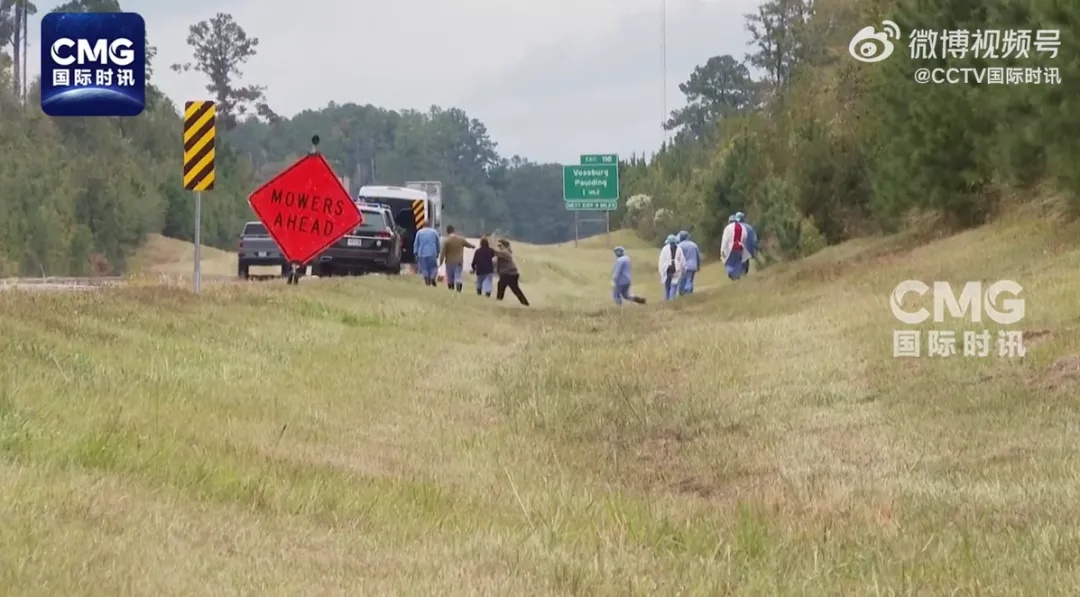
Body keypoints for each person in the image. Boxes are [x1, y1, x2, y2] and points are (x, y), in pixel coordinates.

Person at [491, 238, 529, 305]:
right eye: (498, 246)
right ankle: (525, 303)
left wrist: (489, 247)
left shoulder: (505, 252)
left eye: (500, 245)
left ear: (504, 246)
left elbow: (495, 252)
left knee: (506, 287)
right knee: (513, 289)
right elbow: (495, 261)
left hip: (509, 274)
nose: (499, 247)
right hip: (509, 274)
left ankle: (499, 302)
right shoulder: (504, 253)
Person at [439, 225, 475, 292]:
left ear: (447, 231)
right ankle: (458, 290)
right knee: (458, 276)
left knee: (450, 277)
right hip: (459, 262)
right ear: (454, 230)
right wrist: (473, 246)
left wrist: (440, 262)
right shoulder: (461, 239)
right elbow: (469, 245)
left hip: (449, 262)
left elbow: (443, 252)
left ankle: (451, 290)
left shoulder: (447, 241)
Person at [721, 214, 750, 280]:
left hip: (730, 248)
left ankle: (732, 274)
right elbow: (745, 237)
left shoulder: (728, 228)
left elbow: (725, 240)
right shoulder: (742, 227)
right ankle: (737, 276)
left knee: (729, 262)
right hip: (740, 247)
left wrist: (722, 250)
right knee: (737, 262)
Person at [657, 234, 686, 300]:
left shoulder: (665, 249)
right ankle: (671, 298)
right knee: (674, 284)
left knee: (667, 285)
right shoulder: (679, 249)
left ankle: (667, 297)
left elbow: (661, 260)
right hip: (676, 268)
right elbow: (682, 260)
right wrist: (684, 269)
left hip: (668, 268)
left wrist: (661, 270)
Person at [413, 221, 441, 286]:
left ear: (423, 225)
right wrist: (438, 252)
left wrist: (415, 252)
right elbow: (438, 243)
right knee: (434, 267)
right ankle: (432, 277)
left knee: (424, 268)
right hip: (432, 253)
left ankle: (426, 280)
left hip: (421, 253)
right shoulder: (434, 232)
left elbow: (416, 244)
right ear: (430, 225)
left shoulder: (419, 233)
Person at [676, 230, 700, 295]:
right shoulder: (694, 245)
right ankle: (688, 291)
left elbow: (677, 257)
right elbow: (698, 256)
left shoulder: (679, 246)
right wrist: (698, 265)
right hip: (692, 265)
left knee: (682, 280)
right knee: (690, 279)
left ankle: (684, 291)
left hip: (683, 266)